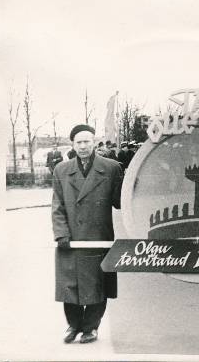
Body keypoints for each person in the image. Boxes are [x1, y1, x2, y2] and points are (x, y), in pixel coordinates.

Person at [52, 124, 123, 344]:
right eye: (79, 142)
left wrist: (133, 183)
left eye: (87, 141)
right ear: (72, 144)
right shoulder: (61, 170)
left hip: (98, 237)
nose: (83, 146)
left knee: (97, 285)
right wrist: (61, 234)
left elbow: (119, 202)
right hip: (71, 238)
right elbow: (57, 205)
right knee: (69, 285)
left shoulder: (111, 168)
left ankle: (91, 327)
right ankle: (73, 325)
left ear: (94, 142)